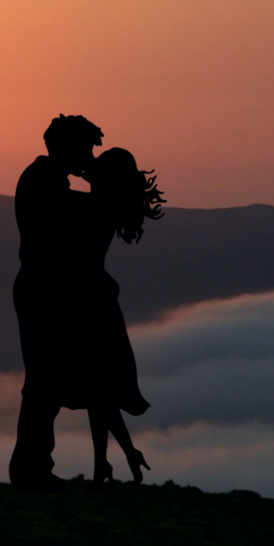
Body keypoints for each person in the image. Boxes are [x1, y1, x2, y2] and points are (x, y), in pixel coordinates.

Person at [8, 114, 101, 493]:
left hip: (44, 289)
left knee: (45, 383)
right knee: (43, 383)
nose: (89, 157)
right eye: (86, 149)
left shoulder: (46, 179)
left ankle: (34, 467)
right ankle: (31, 470)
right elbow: (73, 217)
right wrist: (104, 195)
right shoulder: (44, 182)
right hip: (42, 291)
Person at [77, 147, 163, 488]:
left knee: (96, 386)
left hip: (87, 301)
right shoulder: (107, 206)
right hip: (97, 299)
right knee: (98, 387)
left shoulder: (95, 207)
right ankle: (109, 461)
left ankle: (110, 461)